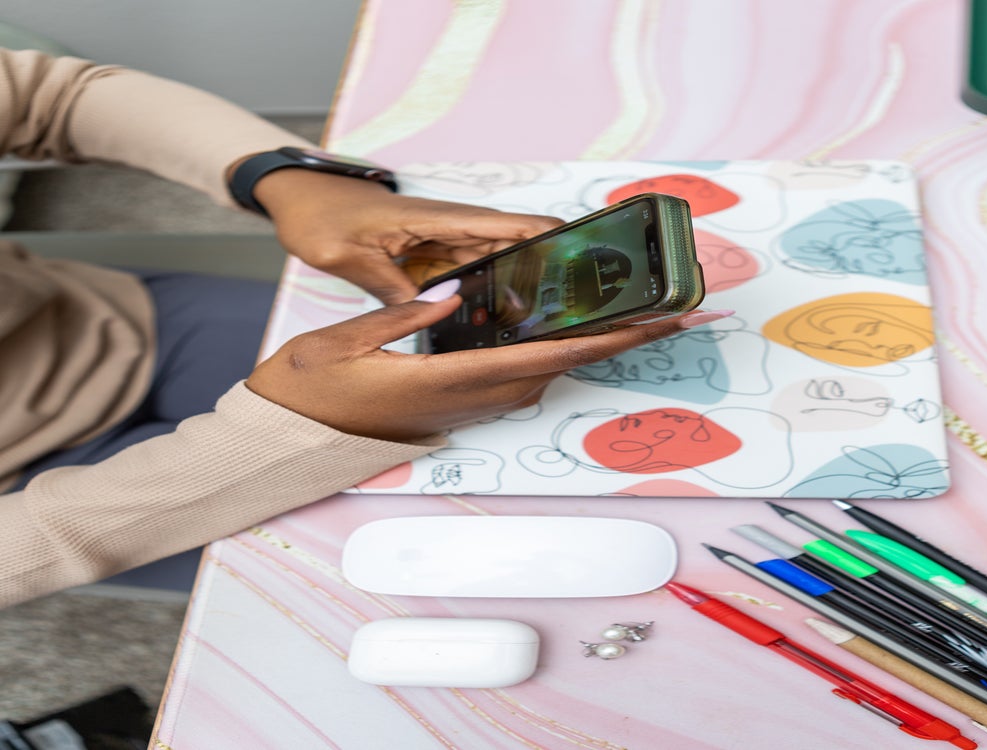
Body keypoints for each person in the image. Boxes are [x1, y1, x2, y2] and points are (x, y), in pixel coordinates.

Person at [0, 49, 727, 608]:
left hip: (113, 319)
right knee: (419, 580)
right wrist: (295, 432)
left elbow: (49, 98)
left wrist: (289, 181)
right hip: (40, 507)